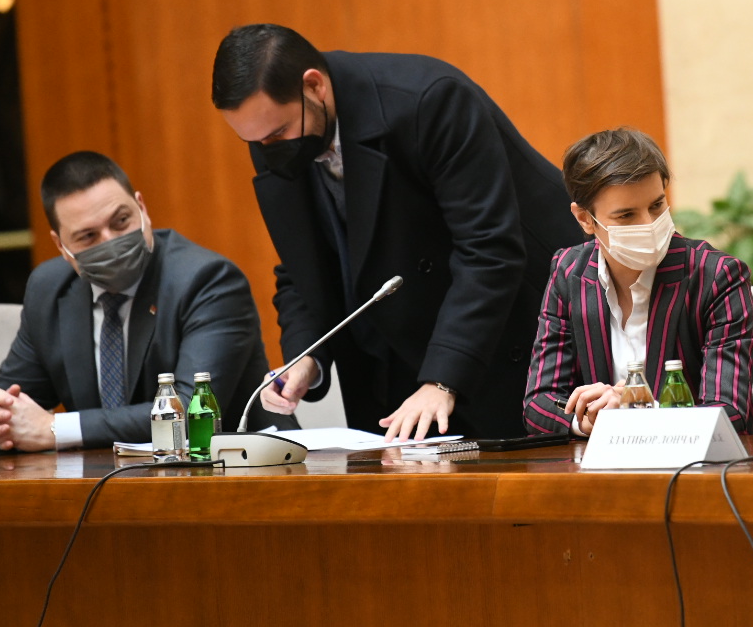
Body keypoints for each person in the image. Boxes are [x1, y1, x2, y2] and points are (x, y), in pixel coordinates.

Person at [212, 24, 583, 440]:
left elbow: (488, 250)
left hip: (499, 345)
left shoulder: (430, 100)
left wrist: (443, 379)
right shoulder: (271, 130)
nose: (268, 149)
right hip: (391, 370)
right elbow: (302, 267)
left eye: (278, 134)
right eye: (254, 140)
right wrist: (306, 354)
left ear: (314, 86)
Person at [0, 152, 277, 451]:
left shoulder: (207, 281)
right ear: (61, 246)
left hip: (236, 472)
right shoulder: (49, 288)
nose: (111, 241)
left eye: (121, 221)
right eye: (88, 236)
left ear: (142, 208)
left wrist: (56, 429)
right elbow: (10, 402)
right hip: (104, 481)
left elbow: (191, 412)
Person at [523, 128, 753, 435]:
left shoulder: (717, 275)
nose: (649, 225)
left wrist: (639, 411)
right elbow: (539, 403)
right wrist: (588, 420)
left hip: (701, 471)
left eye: (656, 206)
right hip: (602, 470)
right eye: (626, 216)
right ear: (584, 218)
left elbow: (730, 412)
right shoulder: (569, 273)